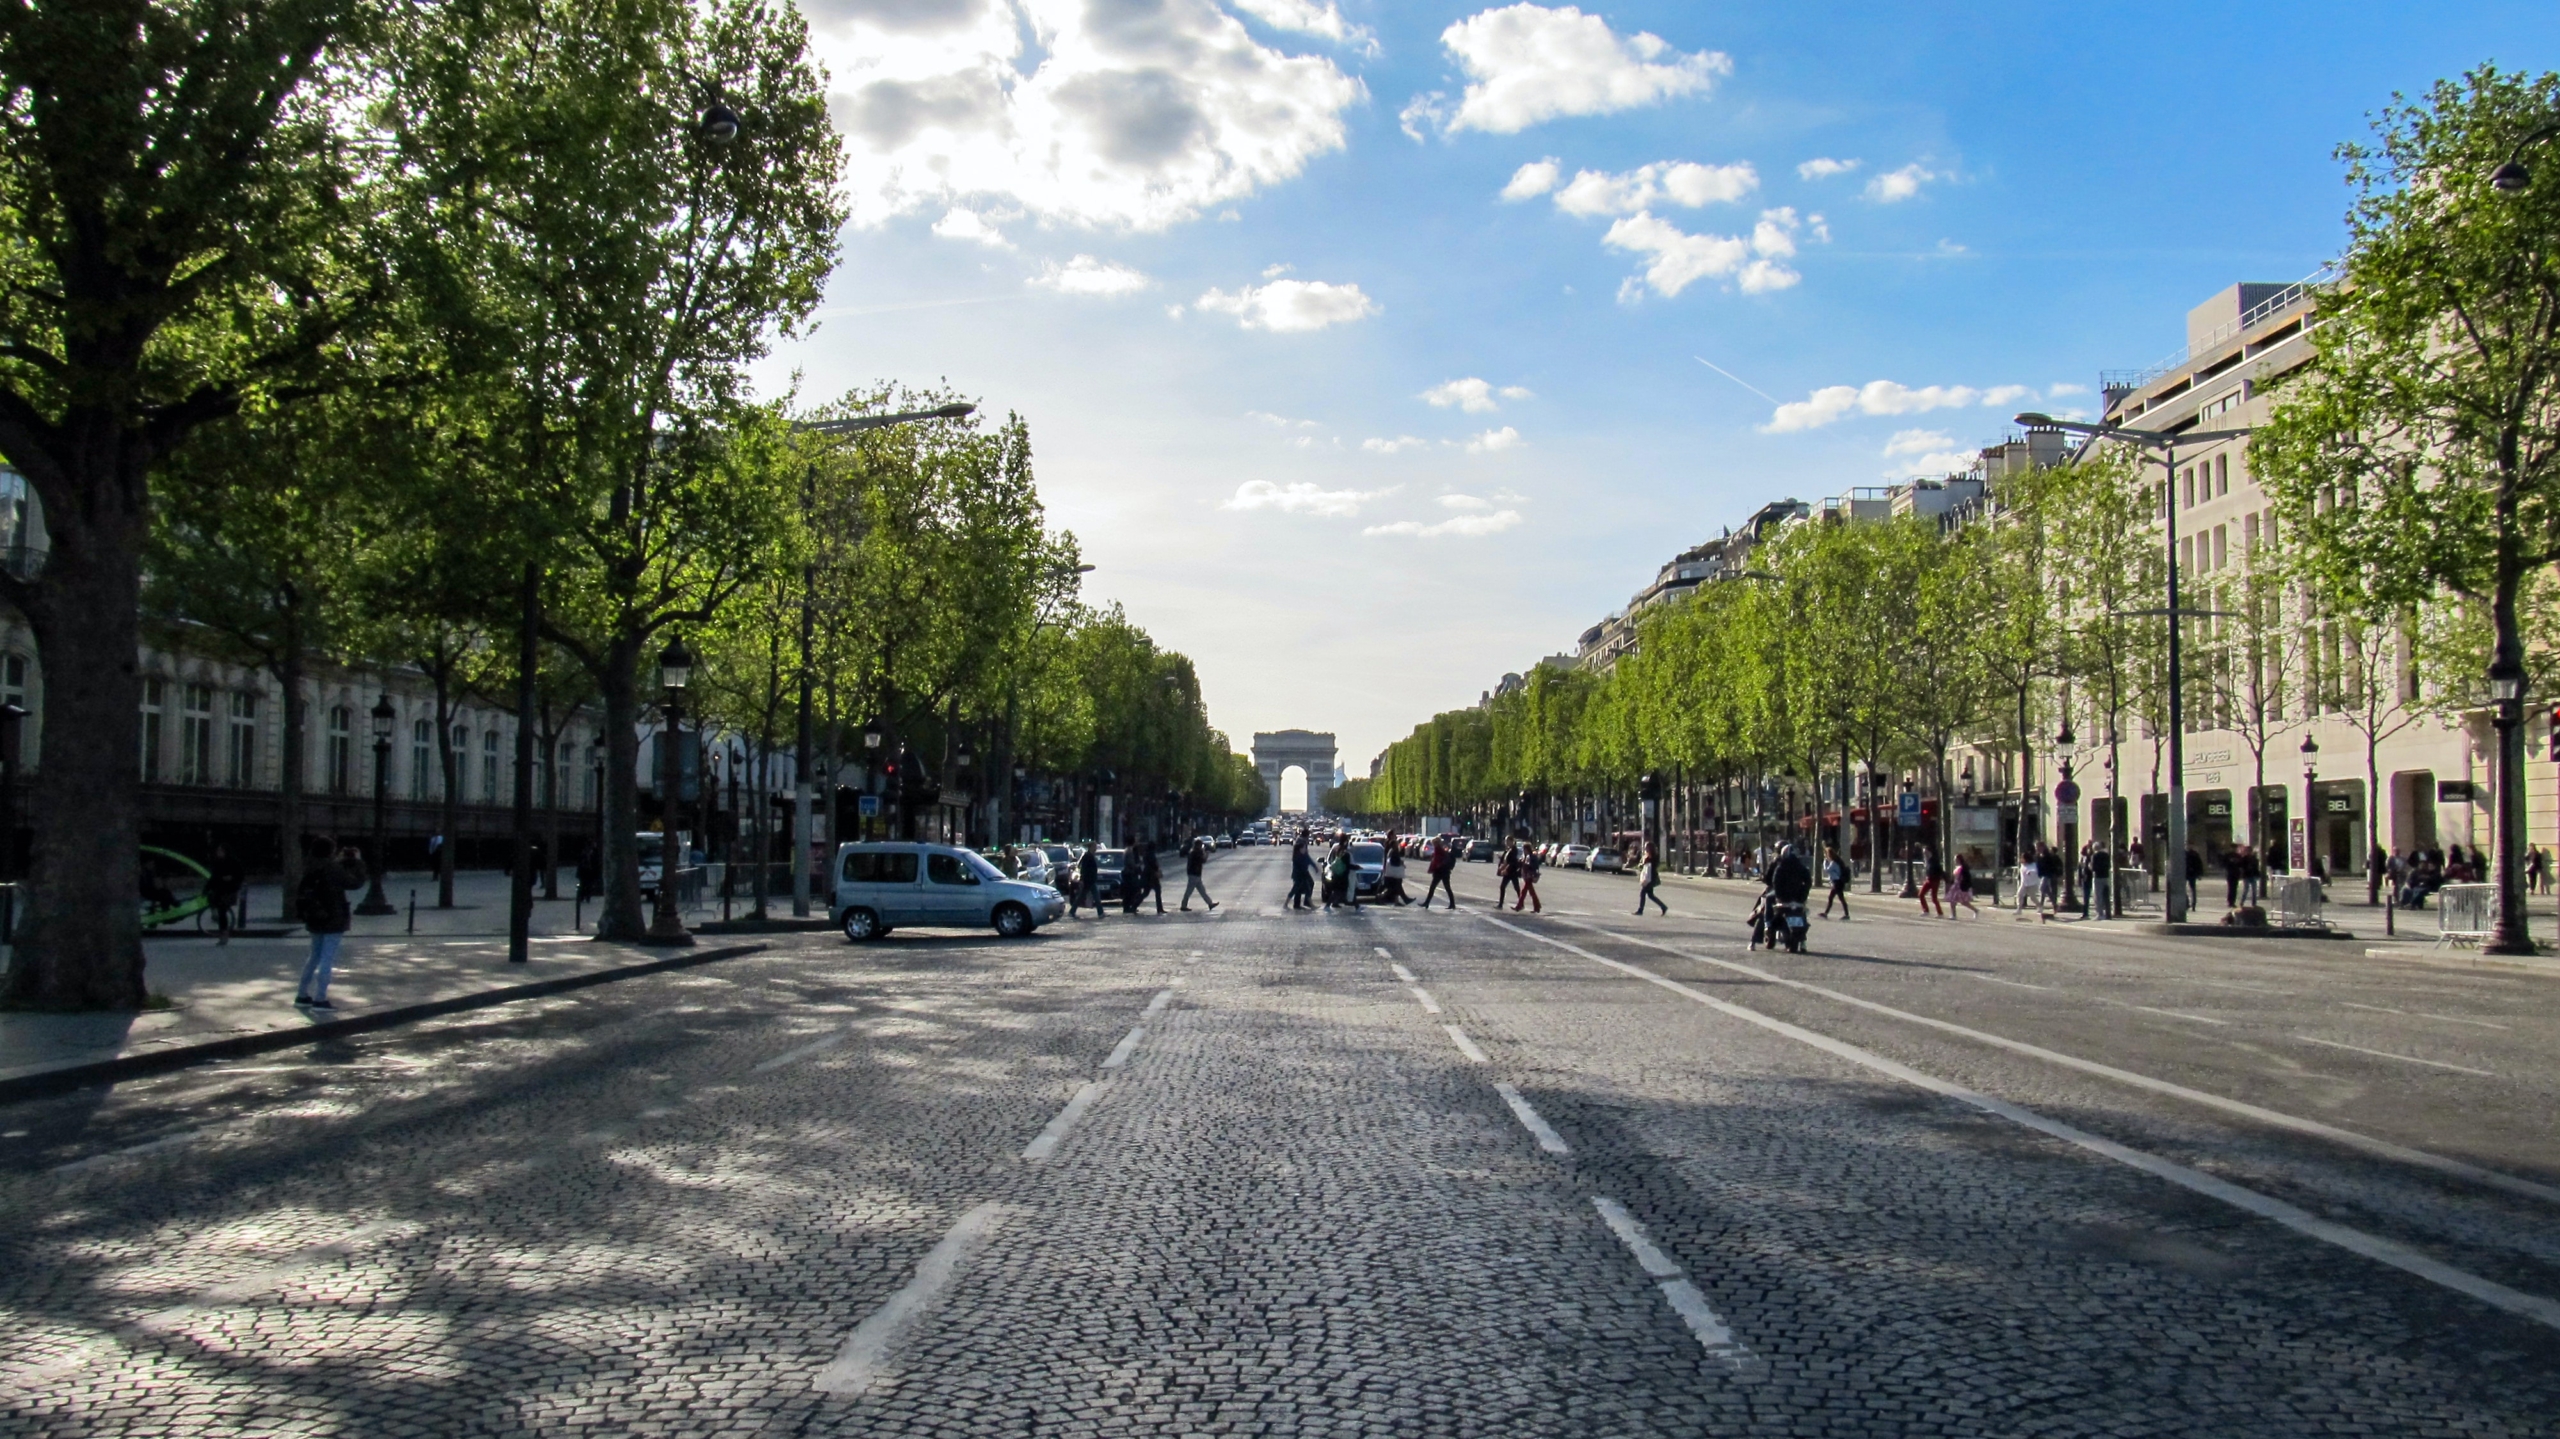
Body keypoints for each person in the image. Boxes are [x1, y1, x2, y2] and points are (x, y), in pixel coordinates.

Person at [293, 836, 363, 1010]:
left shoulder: (309, 866)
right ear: (330, 851)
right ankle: (320, 998)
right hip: (333, 916)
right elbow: (354, 883)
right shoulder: (333, 868)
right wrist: (358, 862)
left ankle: (302, 994)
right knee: (327, 958)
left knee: (314, 956)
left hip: (314, 915)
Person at [205, 844, 245, 947]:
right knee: (220, 910)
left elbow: (240, 875)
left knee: (222, 911)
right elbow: (213, 877)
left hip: (229, 890)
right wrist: (206, 889)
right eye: (218, 851)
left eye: (221, 851)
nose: (218, 853)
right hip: (219, 890)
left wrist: (231, 878)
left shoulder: (233, 862)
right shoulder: (217, 863)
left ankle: (224, 934)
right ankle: (222, 933)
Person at [1180, 838, 1219, 911]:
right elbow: (1203, 860)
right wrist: (1206, 854)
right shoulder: (1196, 852)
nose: (1201, 846)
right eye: (1200, 845)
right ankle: (1183, 906)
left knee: (1202, 891)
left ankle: (1210, 903)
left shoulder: (1193, 851)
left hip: (1195, 874)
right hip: (1194, 874)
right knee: (1189, 891)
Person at [1420, 837, 1459, 909]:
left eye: (1433, 843)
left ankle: (1427, 903)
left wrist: (1435, 867)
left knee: (1433, 887)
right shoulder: (1441, 849)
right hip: (1444, 871)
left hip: (1440, 871)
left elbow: (1437, 860)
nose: (1433, 845)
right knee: (1447, 888)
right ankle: (1452, 904)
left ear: (1436, 843)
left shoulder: (1438, 849)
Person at [1634, 842, 1668, 915]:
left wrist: (1645, 859)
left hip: (1650, 877)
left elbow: (1649, 865)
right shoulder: (1649, 856)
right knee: (1650, 895)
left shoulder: (1652, 856)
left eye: (1646, 847)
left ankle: (1640, 910)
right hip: (1649, 877)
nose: (1645, 849)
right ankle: (1663, 907)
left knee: (1643, 893)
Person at [1820, 845, 1850, 920]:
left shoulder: (1833, 863)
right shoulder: (1837, 861)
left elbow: (1827, 870)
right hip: (1838, 882)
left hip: (1837, 883)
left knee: (1833, 897)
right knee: (1840, 898)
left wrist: (1825, 861)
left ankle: (1827, 913)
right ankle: (1846, 914)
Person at [1513, 841, 1543, 913]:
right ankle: (1537, 906)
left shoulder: (1531, 856)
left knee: (1524, 892)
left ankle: (1519, 906)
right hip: (1527, 876)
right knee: (1531, 892)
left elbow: (1532, 866)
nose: (1524, 851)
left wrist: (1526, 865)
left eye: (1524, 849)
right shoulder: (1527, 856)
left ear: (1527, 849)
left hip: (1529, 876)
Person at [1288, 836, 1315, 910]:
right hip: (1299, 874)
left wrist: (1314, 867)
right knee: (1297, 889)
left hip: (1303, 874)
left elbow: (1308, 860)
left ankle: (1304, 903)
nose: (1306, 849)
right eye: (1304, 848)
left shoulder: (1302, 853)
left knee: (1303, 888)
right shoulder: (1298, 856)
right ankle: (1302, 903)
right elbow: (1305, 862)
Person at [1074, 846, 1101, 918]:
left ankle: (1072, 911)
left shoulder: (1090, 855)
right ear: (1091, 848)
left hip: (1090, 879)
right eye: (1094, 847)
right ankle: (1100, 913)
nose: (1095, 849)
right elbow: (1083, 868)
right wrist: (1082, 879)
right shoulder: (1087, 856)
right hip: (1088, 880)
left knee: (1082, 896)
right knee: (1096, 897)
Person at [1918, 847, 1945, 917]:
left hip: (1935, 880)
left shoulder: (1934, 861)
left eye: (1926, 852)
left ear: (1930, 852)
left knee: (1934, 897)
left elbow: (1939, 871)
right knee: (1921, 894)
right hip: (1929, 879)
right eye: (1924, 853)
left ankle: (1940, 913)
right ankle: (1926, 910)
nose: (1925, 854)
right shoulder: (1927, 861)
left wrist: (1939, 877)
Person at [2088, 842, 2113, 919]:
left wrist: (2090, 866)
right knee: (2106, 895)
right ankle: (2108, 913)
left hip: (2098, 877)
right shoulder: (2106, 855)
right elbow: (2109, 865)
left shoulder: (2094, 856)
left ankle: (2100, 913)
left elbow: (2093, 868)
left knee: (2098, 896)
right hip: (2106, 876)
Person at [1496, 842, 1521, 909]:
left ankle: (1521, 903)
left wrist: (1506, 869)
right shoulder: (1508, 849)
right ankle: (1500, 904)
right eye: (1506, 841)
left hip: (1512, 871)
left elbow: (1512, 862)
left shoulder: (1514, 850)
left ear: (1511, 842)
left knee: (1516, 887)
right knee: (1503, 887)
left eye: (1508, 841)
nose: (1506, 843)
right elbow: (1505, 859)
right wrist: (1501, 857)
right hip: (1509, 871)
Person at [2183, 844, 2204, 913]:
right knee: (2190, 890)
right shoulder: (2192, 854)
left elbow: (2199, 864)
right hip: (2189, 873)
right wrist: (2199, 873)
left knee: (2191, 889)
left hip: (2189, 873)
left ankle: (2191, 904)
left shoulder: (2191, 854)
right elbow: (2199, 864)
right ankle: (2189, 903)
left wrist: (2199, 873)